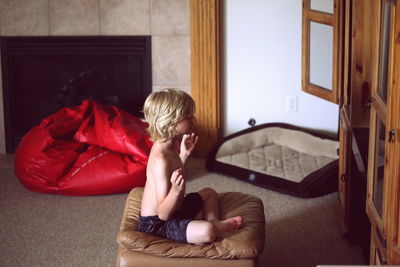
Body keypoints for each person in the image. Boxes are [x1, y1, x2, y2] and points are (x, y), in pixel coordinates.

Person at [138, 88, 243, 245]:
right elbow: (163, 214)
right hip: (157, 224)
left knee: (210, 193)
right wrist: (175, 190)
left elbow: (176, 170)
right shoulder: (160, 160)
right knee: (208, 232)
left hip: (176, 210)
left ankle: (215, 221)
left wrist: (184, 155)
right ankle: (212, 226)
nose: (193, 119)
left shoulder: (168, 145)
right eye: (188, 116)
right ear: (171, 122)